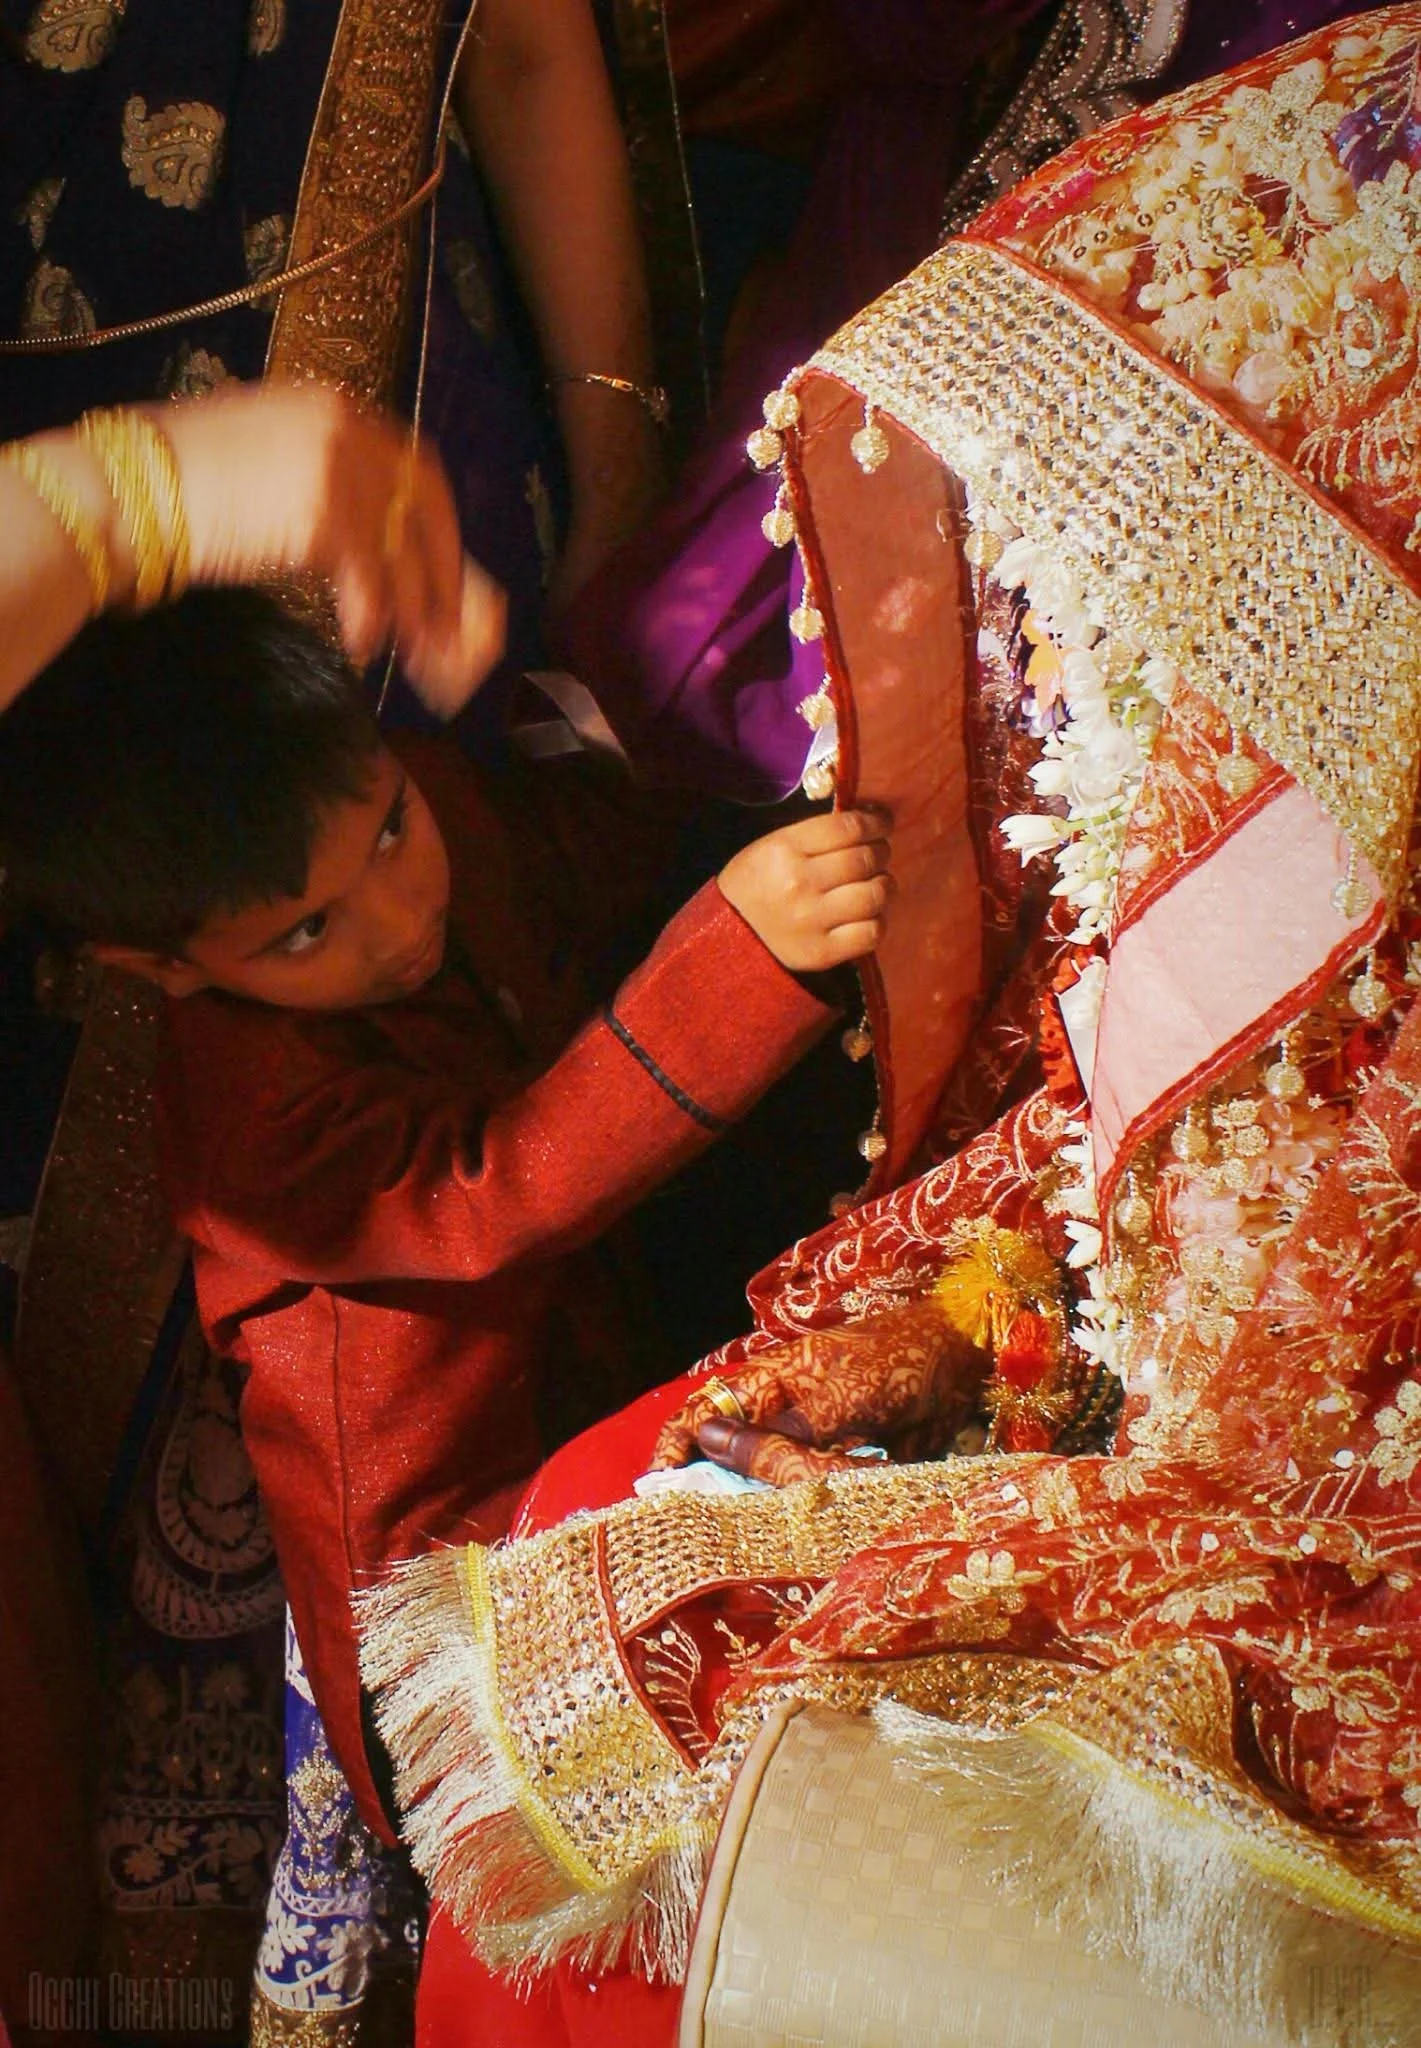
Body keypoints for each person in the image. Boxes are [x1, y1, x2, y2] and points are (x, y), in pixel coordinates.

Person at [358, 10, 1421, 2044]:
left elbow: (1278, 1310)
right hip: (1134, 1322)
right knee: (600, 1518)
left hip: (1296, 1453)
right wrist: (947, 1321)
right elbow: (1105, 1127)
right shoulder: (1243, 707)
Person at [0, 582, 896, 1853]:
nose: (399, 914)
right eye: (308, 930)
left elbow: (562, 855)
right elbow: (497, 1184)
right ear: (169, 969)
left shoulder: (405, 799)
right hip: (446, 1572)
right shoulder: (251, 1130)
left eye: (390, 835)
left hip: (596, 1382)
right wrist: (745, 950)